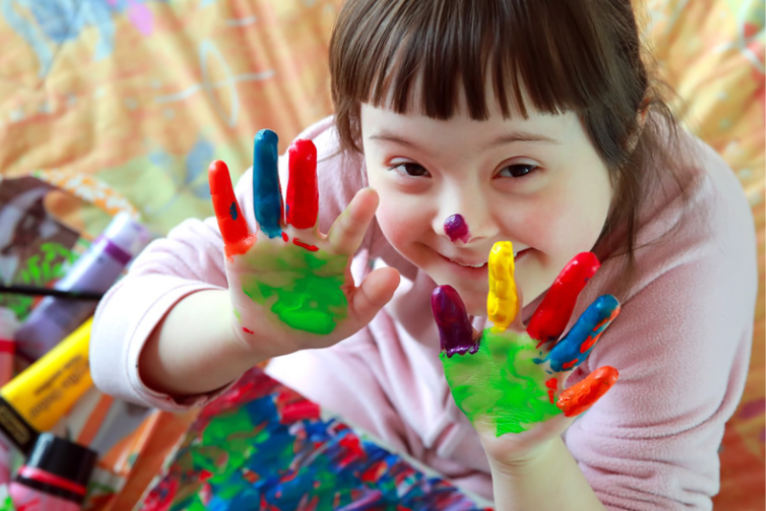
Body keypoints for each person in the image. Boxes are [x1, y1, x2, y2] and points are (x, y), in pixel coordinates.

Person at [90, 1, 758, 509]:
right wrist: (239, 328)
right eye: (409, 164)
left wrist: (526, 454)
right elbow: (114, 343)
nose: (458, 223)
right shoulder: (345, 169)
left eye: (518, 167)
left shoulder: (684, 256)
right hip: (352, 387)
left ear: (628, 128)